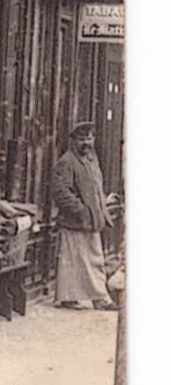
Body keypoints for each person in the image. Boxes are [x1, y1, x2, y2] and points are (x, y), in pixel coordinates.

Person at [51, 122, 119, 311]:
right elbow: (60, 191)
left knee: (90, 258)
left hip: (92, 220)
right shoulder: (67, 161)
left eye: (89, 139)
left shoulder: (91, 159)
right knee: (75, 260)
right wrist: (80, 209)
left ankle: (88, 297)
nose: (86, 143)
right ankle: (97, 298)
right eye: (82, 140)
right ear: (73, 141)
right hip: (76, 220)